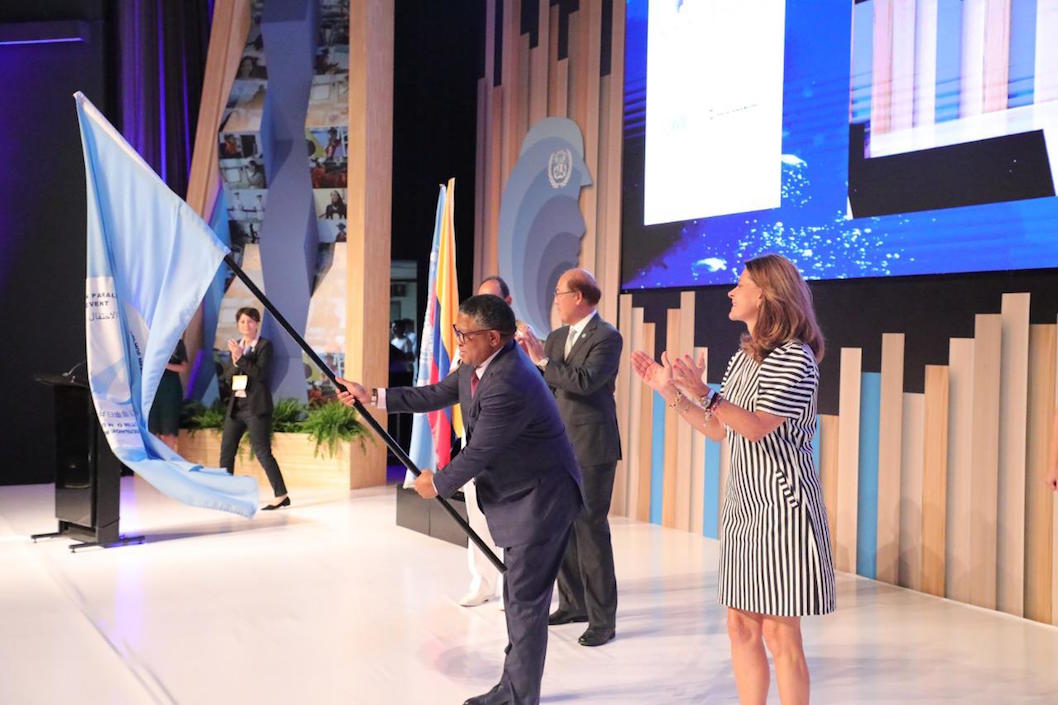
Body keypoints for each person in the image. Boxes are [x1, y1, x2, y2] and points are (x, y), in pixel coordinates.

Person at [336, 294, 582, 705]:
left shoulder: (510, 382)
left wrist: (439, 483)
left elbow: (481, 449)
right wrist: (372, 396)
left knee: (524, 601)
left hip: (542, 501)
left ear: (493, 337)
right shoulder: (476, 365)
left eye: (464, 334)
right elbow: (432, 394)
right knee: (519, 598)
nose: (459, 341)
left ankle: (519, 697)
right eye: (456, 331)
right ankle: (514, 688)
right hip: (520, 494)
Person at [631, 253, 835, 705]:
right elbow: (719, 429)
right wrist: (675, 396)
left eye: (739, 284)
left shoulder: (795, 357)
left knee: (782, 635)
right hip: (744, 511)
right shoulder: (746, 357)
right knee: (740, 626)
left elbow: (757, 424)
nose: (731, 291)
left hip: (783, 513)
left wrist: (704, 393)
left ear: (764, 293)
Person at [517, 268, 622, 647]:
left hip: (592, 446)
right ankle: (573, 602)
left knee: (590, 528)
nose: (555, 300)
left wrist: (544, 361)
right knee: (558, 527)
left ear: (579, 296)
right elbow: (546, 383)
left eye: (560, 293)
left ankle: (602, 619)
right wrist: (531, 359)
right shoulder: (558, 337)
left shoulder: (607, 337)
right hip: (555, 446)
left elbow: (584, 382)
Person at [454, 276, 514, 608]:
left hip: (506, 450)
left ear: (507, 302)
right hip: (474, 440)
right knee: (477, 516)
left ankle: (511, 582)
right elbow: (450, 385)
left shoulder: (520, 344)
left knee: (507, 518)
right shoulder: (470, 344)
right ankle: (482, 580)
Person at [219, 307, 291, 511]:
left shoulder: (264, 346)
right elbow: (228, 377)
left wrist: (241, 358)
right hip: (237, 406)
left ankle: (281, 494)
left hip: (256, 407)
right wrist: (235, 360)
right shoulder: (238, 346)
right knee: (227, 451)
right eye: (242, 322)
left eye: (250, 321)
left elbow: (260, 374)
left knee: (262, 451)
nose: (246, 325)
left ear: (257, 323)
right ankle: (227, 494)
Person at [148, 339, 188, 451]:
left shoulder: (177, 342)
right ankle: (155, 461)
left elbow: (184, 367)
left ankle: (168, 460)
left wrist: (165, 366)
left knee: (169, 428)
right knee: (152, 428)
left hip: (171, 389)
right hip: (152, 389)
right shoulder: (148, 339)